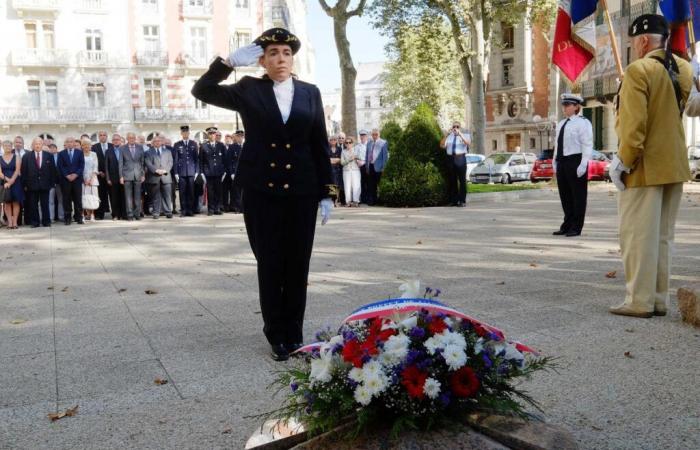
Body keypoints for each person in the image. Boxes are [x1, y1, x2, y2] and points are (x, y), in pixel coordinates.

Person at [192, 27, 334, 362]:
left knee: (298, 265)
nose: (280, 59)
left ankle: (295, 334)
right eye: (272, 53)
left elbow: (319, 143)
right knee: (270, 263)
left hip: (301, 191)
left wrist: (327, 191)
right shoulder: (248, 89)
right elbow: (202, 90)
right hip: (261, 191)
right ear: (262, 60)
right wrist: (227, 63)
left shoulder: (310, 93)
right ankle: (276, 335)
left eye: (285, 52)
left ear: (292, 57)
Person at [608, 14, 693, 318]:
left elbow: (634, 127)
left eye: (632, 41)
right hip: (674, 164)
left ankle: (638, 301)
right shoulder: (683, 68)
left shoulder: (638, 70)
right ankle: (658, 299)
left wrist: (622, 163)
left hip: (644, 167)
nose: (632, 46)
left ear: (643, 40)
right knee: (662, 238)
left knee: (637, 237)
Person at [551, 94, 592, 237]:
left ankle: (576, 227)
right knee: (565, 196)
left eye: (568, 105)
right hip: (562, 161)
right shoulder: (562, 124)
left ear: (576, 107)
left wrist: (583, 164)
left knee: (578, 196)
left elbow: (587, 144)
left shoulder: (583, 122)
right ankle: (567, 225)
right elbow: (557, 144)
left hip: (576, 160)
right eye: (564, 105)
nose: (565, 108)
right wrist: (554, 160)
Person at [21, 137, 55, 227]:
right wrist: (24, 184)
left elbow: (52, 171)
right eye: (35, 144)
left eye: (39, 143)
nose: (37, 145)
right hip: (31, 185)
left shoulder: (49, 155)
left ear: (42, 144)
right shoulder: (26, 156)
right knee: (33, 205)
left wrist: (52, 183)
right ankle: (35, 222)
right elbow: (24, 171)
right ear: (33, 145)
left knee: (45, 204)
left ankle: (46, 221)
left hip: (45, 184)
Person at [440, 122, 472, 207]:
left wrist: (460, 134)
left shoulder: (465, 135)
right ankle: (454, 201)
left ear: (460, 128)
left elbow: (468, 143)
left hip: (460, 158)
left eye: (457, 126)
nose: (455, 128)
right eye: (454, 126)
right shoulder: (449, 136)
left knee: (462, 181)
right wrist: (446, 135)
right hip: (450, 158)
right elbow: (442, 145)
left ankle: (462, 201)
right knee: (452, 180)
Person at [57, 136, 85, 225]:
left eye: (71, 142)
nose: (69, 143)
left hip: (77, 180)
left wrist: (76, 174)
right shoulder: (61, 154)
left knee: (78, 199)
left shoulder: (79, 153)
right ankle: (67, 218)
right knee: (66, 199)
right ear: (65, 144)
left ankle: (79, 217)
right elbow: (60, 166)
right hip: (66, 180)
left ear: (74, 143)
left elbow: (81, 165)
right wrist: (67, 175)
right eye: (67, 142)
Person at [145, 134, 174, 219]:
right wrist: (156, 170)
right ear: (152, 143)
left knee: (167, 196)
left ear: (161, 142)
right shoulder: (147, 152)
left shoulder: (167, 152)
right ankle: (156, 212)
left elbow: (170, 162)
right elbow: (148, 163)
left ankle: (168, 212)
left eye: (159, 141)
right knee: (155, 196)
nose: (157, 142)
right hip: (154, 177)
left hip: (166, 176)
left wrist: (165, 170)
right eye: (155, 141)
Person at [119, 132, 146, 221]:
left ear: (135, 138)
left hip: (138, 175)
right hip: (127, 176)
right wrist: (121, 176)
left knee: (137, 196)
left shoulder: (140, 147)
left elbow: (142, 163)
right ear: (127, 138)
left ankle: (137, 214)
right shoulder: (122, 148)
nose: (132, 139)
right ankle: (130, 215)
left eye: (133, 138)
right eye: (130, 138)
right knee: (128, 197)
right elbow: (121, 164)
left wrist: (143, 174)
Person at [173, 125, 199, 217]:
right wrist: (176, 172)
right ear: (181, 133)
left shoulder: (193, 144)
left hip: (191, 172)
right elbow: (175, 160)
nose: (185, 134)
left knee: (191, 192)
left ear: (189, 133)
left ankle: (190, 210)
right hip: (181, 172)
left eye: (186, 132)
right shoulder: (177, 144)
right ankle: (183, 210)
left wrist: (197, 171)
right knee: (182, 192)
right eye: (183, 132)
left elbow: (196, 159)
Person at [201, 127, 226, 215]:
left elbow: (224, 159)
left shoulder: (221, 145)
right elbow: (201, 160)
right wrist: (202, 173)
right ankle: (211, 209)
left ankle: (217, 208)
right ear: (208, 135)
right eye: (210, 134)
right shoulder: (204, 146)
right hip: (209, 173)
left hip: (218, 172)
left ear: (216, 135)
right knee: (210, 192)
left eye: (213, 133)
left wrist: (224, 172)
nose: (212, 135)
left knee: (218, 191)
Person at [1, 139, 23, 229]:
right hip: (4, 182)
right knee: (7, 203)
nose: (7, 147)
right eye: (5, 146)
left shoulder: (17, 157)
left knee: (16, 202)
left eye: (9, 146)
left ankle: (15, 223)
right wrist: (7, 180)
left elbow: (17, 170)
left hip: (16, 181)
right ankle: (9, 223)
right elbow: (0, 173)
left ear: (12, 147)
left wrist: (11, 181)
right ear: (3, 147)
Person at [363, 128, 389, 206]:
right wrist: (367, 167)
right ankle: (372, 201)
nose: (374, 136)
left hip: (379, 167)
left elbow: (385, 156)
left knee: (379, 184)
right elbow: (367, 155)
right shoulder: (369, 143)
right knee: (371, 185)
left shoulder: (383, 143)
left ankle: (381, 201)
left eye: (376, 134)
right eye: (373, 134)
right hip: (370, 166)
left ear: (379, 134)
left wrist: (384, 167)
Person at [91, 131, 112, 220]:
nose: (103, 137)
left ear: (107, 136)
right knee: (100, 195)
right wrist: (99, 171)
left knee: (113, 195)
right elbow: (93, 161)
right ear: (99, 137)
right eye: (101, 135)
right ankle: (100, 214)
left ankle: (115, 213)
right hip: (99, 175)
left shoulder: (111, 146)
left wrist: (108, 173)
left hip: (111, 176)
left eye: (104, 135)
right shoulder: (94, 147)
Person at [105, 134, 126, 220]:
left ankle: (123, 214)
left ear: (120, 141)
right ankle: (115, 215)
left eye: (117, 139)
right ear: (112, 141)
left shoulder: (124, 150)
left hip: (124, 177)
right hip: (113, 178)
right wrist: (108, 178)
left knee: (124, 196)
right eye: (114, 140)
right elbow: (106, 166)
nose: (116, 141)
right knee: (114, 197)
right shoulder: (108, 151)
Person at [223, 130, 243, 213]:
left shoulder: (245, 146)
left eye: (241, 136)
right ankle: (237, 208)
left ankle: (243, 207)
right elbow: (229, 161)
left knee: (243, 192)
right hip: (235, 172)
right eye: (238, 136)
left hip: (244, 172)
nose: (240, 138)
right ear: (236, 137)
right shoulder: (232, 147)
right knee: (236, 192)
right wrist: (231, 173)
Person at [80, 137, 99, 222]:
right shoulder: (79, 154)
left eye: (88, 145)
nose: (87, 146)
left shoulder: (94, 154)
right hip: (82, 179)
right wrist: (84, 179)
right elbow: (79, 167)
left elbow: (95, 167)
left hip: (93, 179)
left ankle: (92, 215)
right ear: (82, 146)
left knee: (93, 197)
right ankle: (83, 215)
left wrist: (91, 179)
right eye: (84, 145)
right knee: (83, 197)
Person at [340, 136, 363, 206]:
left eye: (350, 142)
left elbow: (361, 158)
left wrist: (356, 157)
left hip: (355, 170)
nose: (348, 144)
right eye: (346, 143)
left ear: (352, 143)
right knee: (347, 186)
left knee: (356, 186)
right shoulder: (343, 151)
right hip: (346, 171)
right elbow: (342, 162)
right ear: (345, 144)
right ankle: (348, 202)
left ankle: (356, 201)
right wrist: (349, 159)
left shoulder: (356, 150)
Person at [47, 143, 63, 223]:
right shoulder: (47, 157)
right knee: (51, 200)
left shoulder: (61, 156)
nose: (52, 149)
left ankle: (61, 216)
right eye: (51, 148)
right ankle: (51, 217)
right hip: (50, 182)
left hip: (60, 182)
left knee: (61, 200)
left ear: (57, 149)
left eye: (54, 148)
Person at [328, 135, 343, 206]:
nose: (333, 141)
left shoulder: (339, 149)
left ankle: (336, 200)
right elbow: (327, 160)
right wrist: (335, 160)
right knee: (332, 185)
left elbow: (341, 159)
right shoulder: (327, 148)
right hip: (330, 170)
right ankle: (333, 200)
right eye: (331, 140)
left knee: (337, 185)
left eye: (334, 139)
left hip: (338, 169)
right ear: (329, 141)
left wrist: (332, 160)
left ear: (336, 141)